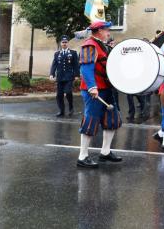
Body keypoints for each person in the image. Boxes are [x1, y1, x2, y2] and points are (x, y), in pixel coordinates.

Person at [76, 21, 122, 169]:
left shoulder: (104, 46)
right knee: (91, 120)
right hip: (95, 90)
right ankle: (82, 156)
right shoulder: (89, 45)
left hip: (106, 88)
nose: (108, 32)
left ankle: (105, 152)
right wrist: (92, 87)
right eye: (106, 30)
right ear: (99, 31)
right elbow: (86, 68)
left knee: (112, 119)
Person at [49, 36, 79, 117]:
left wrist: (76, 75)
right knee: (59, 95)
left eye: (66, 42)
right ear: (60, 43)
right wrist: (52, 74)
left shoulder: (73, 53)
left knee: (68, 92)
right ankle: (61, 111)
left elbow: (76, 65)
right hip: (60, 77)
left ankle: (71, 107)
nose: (64, 44)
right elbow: (54, 65)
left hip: (69, 77)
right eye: (63, 42)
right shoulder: (57, 54)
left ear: (68, 43)